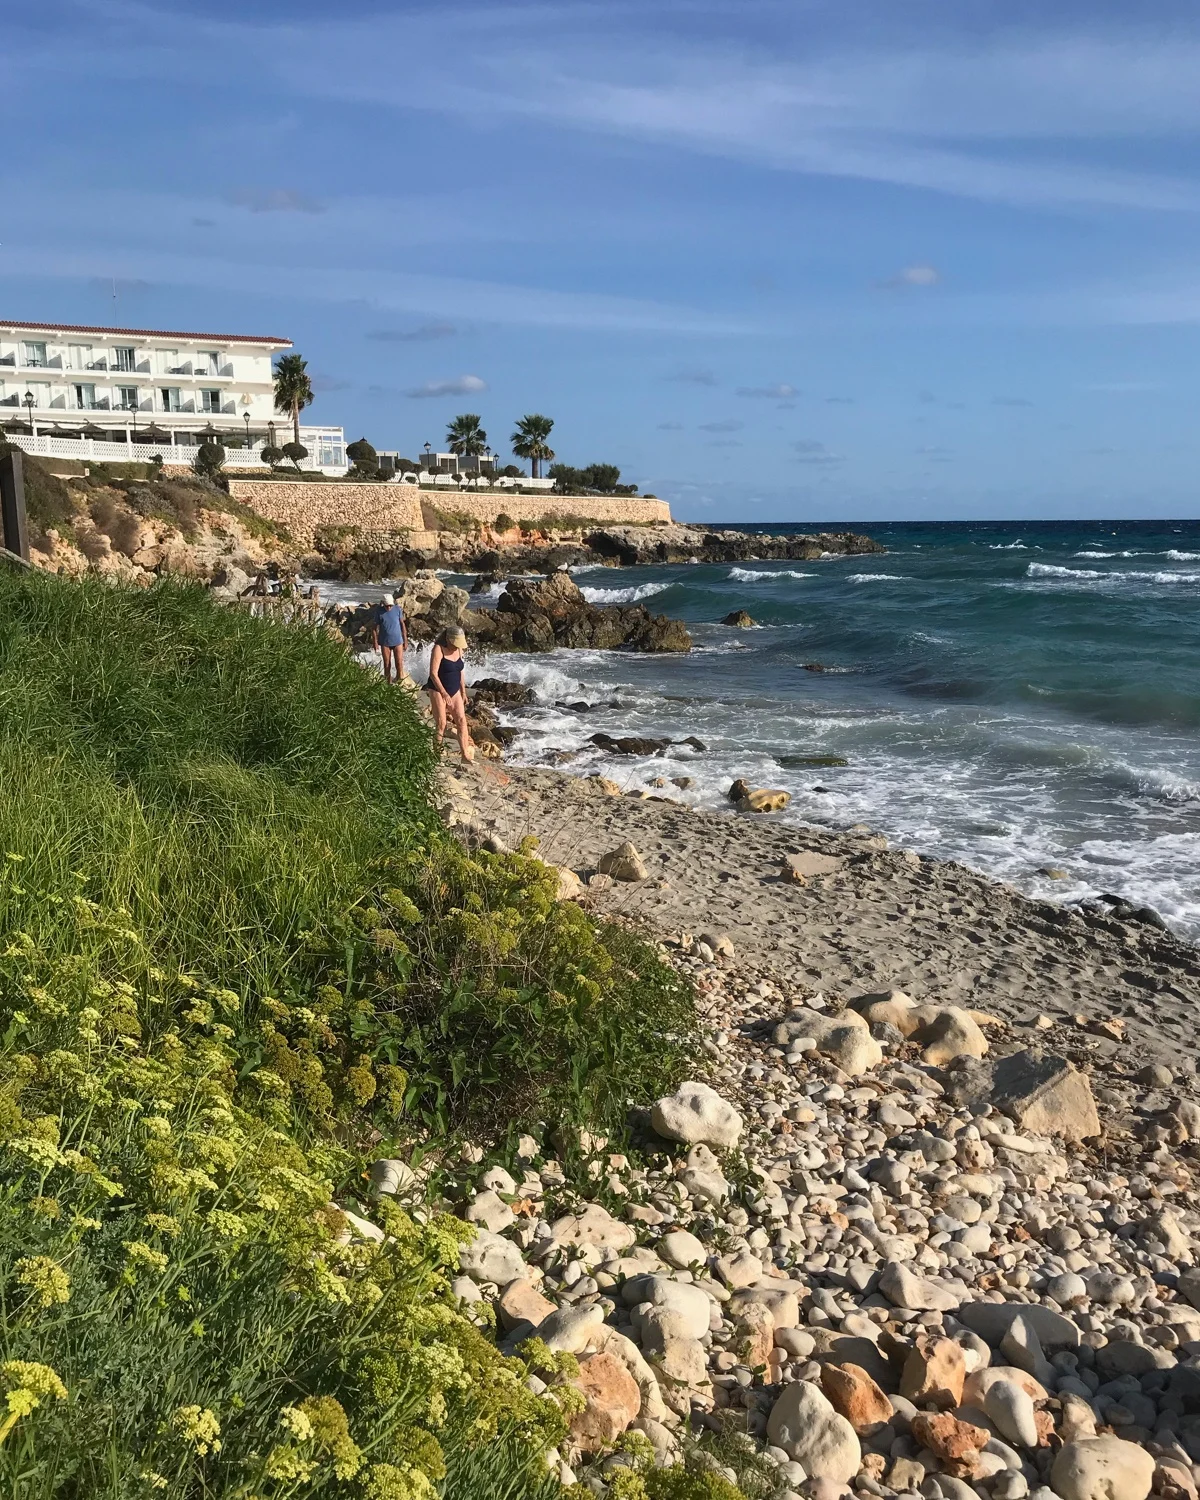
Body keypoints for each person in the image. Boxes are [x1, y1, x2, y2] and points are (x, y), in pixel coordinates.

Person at [427, 627, 475, 762]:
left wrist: (463, 692)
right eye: (455, 643)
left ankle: (465, 755)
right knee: (441, 723)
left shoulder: (459, 650)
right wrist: (443, 693)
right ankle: (437, 755)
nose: (457, 647)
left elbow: (460, 671)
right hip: (438, 689)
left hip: (454, 690)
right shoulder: (438, 649)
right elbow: (433, 674)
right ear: (448, 639)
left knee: (461, 721)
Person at [373, 592, 408, 684]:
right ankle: (388, 684)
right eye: (386, 606)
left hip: (398, 641)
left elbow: (402, 624)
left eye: (390, 605)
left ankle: (399, 681)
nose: (388, 607)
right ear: (383, 604)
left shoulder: (397, 609)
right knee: (387, 664)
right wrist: (375, 643)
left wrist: (405, 640)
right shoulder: (379, 611)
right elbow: (374, 628)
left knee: (399, 663)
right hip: (385, 642)